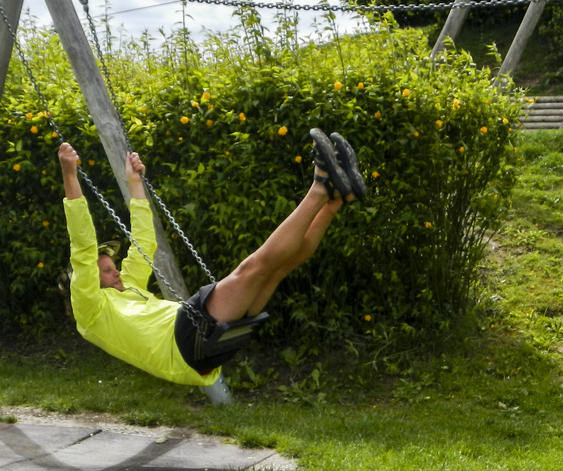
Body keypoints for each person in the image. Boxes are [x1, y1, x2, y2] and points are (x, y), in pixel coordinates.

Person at [59, 128, 366, 387]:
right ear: (83, 284)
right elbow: (84, 250)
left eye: (114, 268)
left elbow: (143, 242)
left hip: (201, 351)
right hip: (183, 342)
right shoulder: (91, 311)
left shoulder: (129, 290)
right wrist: (70, 176)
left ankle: (336, 198)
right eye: (107, 272)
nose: (116, 274)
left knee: (277, 268)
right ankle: (319, 186)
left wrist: (135, 185)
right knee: (253, 267)